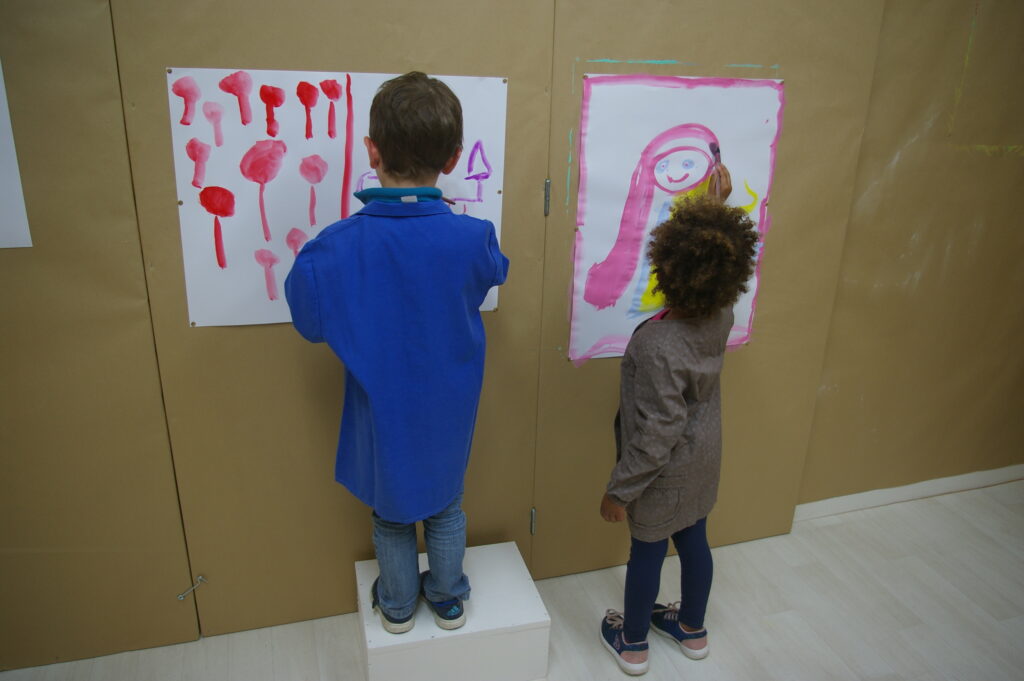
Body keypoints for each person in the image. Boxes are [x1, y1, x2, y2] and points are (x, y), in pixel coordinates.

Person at [284, 71, 509, 635]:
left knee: (389, 513)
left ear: (372, 151)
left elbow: (309, 322)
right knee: (446, 505)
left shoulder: (332, 248)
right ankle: (449, 600)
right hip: (449, 405)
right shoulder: (474, 236)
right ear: (453, 159)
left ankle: (399, 605)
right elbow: (493, 271)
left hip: (378, 406)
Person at [597, 170, 756, 676]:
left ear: (666, 269)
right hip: (704, 459)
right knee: (693, 540)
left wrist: (619, 492)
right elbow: (712, 258)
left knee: (646, 554)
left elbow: (656, 434)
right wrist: (716, 208)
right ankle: (691, 628)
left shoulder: (657, 344)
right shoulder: (721, 311)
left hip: (662, 476)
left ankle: (633, 643)